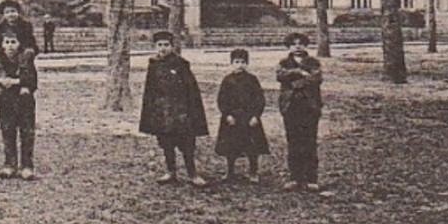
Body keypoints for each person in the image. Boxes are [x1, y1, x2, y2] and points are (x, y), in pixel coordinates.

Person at [138, 30, 211, 186]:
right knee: (166, 142)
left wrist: (189, 111)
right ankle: (171, 172)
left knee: (186, 143)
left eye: (166, 45)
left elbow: (191, 89)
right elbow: (150, 91)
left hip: (180, 111)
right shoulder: (154, 65)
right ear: (155, 47)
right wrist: (152, 111)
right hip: (163, 111)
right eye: (159, 45)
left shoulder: (180, 64)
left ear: (172, 46)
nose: (163, 48)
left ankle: (193, 174)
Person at [276, 32, 325, 193]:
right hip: (291, 107)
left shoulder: (313, 62)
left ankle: (311, 178)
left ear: (305, 45)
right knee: (293, 142)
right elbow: (280, 75)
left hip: (309, 106)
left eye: (300, 43)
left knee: (310, 141)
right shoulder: (284, 63)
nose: (297, 46)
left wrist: (296, 83)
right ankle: (294, 177)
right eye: (293, 44)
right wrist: (298, 73)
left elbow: (316, 78)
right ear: (289, 46)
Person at [215, 47, 271, 183]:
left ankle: (253, 172)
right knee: (231, 146)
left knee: (252, 146)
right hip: (232, 118)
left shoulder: (252, 80)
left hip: (248, 117)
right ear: (232, 63)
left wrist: (255, 116)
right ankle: (230, 172)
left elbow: (259, 99)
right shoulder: (227, 80)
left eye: (242, 62)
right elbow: (221, 99)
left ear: (247, 64)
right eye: (236, 62)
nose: (239, 65)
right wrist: (227, 114)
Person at [0, 31, 39, 180]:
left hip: (24, 101)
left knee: (27, 132)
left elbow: (32, 80)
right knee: (8, 131)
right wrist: (0, 82)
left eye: (13, 42)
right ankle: (9, 164)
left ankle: (27, 165)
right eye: (7, 42)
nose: (10, 46)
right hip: (6, 100)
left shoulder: (26, 59)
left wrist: (17, 82)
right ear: (2, 45)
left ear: (19, 44)